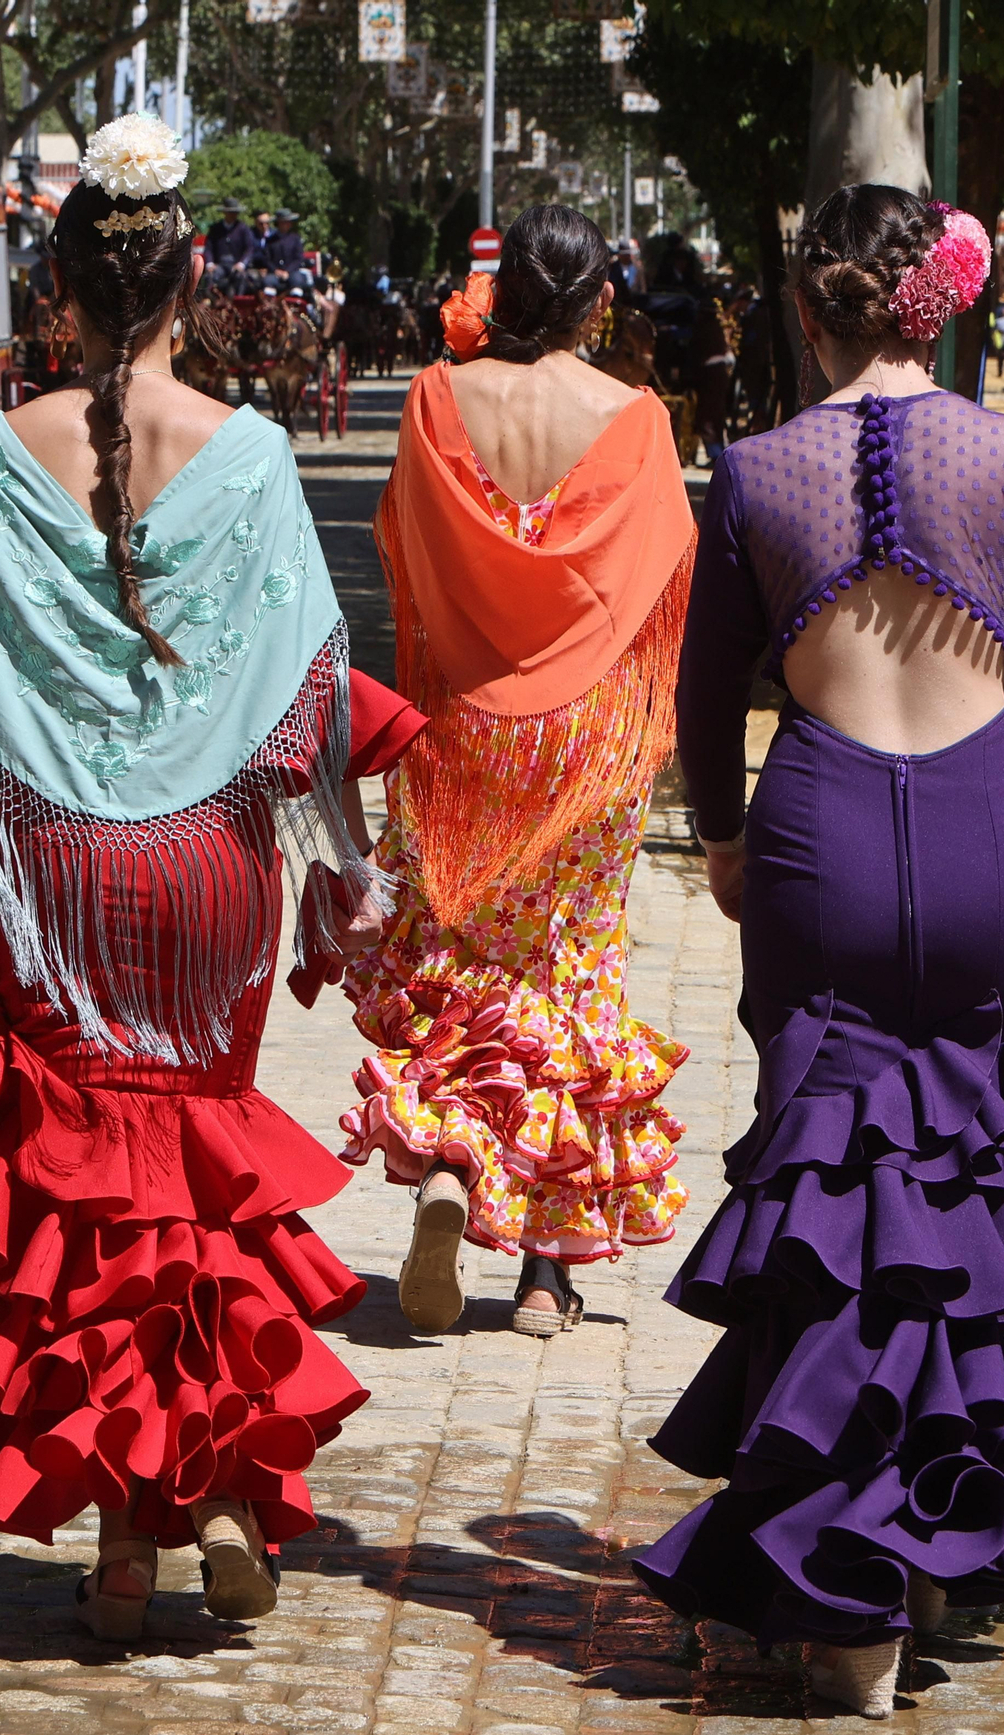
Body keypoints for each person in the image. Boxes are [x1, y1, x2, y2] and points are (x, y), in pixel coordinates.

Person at [0, 115, 425, 1642]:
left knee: (92, 1205)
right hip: (207, 881)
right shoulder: (261, 454)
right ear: (192, 272)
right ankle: (202, 1493)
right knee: (194, 1186)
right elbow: (302, 697)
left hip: (49, 887)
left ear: (59, 284)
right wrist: (343, 868)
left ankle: (123, 1540)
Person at [629, 185, 1004, 1718]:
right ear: (933, 302)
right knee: (980, 1173)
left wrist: (732, 842)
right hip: (990, 835)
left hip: (820, 838)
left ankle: (846, 1606)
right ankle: (947, 1539)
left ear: (811, 312)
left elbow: (701, 715)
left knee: (838, 1197)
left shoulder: (751, 470)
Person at [337, 205, 696, 1338]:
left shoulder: (438, 399)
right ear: (597, 302)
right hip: (586, 737)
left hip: (462, 733)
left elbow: (400, 543)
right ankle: (545, 1273)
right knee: (571, 969)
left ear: (500, 293)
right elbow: (661, 574)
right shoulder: (634, 419)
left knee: (458, 958)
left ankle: (450, 1169)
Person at [203, 197, 258, 291]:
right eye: (230, 212)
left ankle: (238, 303)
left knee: (241, 278)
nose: (233, 215)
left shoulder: (243, 229)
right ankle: (211, 302)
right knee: (210, 277)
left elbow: (250, 248)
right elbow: (208, 248)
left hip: (236, 265)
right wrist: (210, 264)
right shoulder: (215, 229)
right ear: (224, 212)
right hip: (219, 265)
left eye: (235, 212)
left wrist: (241, 264)